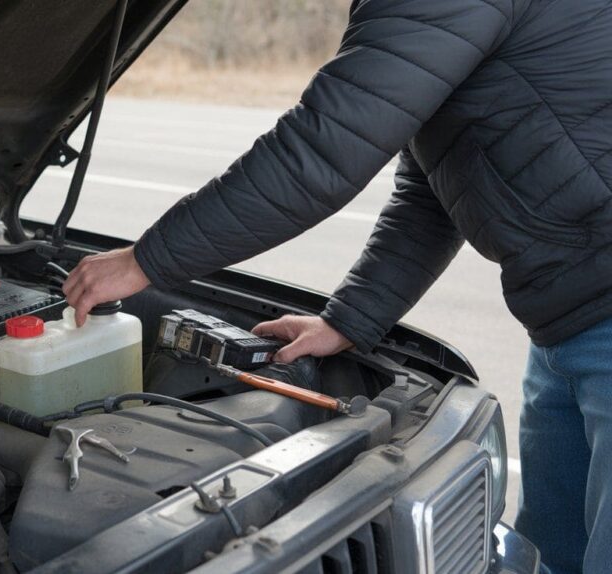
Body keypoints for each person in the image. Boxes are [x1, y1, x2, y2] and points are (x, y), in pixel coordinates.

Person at [61, 1, 612, 573]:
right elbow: (428, 196)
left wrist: (146, 260)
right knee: (551, 555)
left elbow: (321, 150)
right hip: (569, 328)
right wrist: (348, 320)